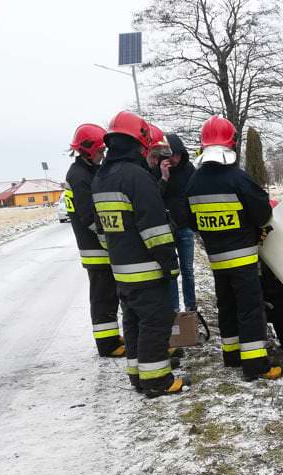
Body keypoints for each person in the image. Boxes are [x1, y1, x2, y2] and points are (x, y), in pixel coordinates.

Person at [92, 110, 187, 398]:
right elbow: (155, 229)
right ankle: (157, 380)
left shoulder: (101, 178)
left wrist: (119, 255)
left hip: (121, 269)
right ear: (140, 142)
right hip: (147, 269)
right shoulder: (137, 177)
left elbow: (101, 230)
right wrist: (170, 264)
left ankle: (137, 374)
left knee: (133, 322)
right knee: (155, 322)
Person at [184, 115, 281, 381]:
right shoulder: (237, 179)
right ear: (231, 144)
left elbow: (191, 221)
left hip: (216, 258)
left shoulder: (193, 183)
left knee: (226, 305)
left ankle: (231, 355)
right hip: (242, 258)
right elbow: (262, 214)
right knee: (249, 308)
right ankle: (255, 366)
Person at [65, 123, 125, 358]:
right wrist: (107, 241)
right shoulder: (79, 176)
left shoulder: (85, 171)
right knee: (103, 297)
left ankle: (110, 337)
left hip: (96, 247)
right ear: (87, 149)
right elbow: (89, 216)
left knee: (108, 296)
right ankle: (107, 345)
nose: (103, 155)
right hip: (95, 249)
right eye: (100, 151)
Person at [159, 133, 198, 313]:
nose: (174, 159)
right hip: (166, 229)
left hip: (185, 228)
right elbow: (154, 197)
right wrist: (164, 177)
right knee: (171, 272)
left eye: (177, 155)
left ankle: (190, 307)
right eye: (171, 155)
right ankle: (173, 309)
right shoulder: (158, 171)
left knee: (187, 270)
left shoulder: (189, 169)